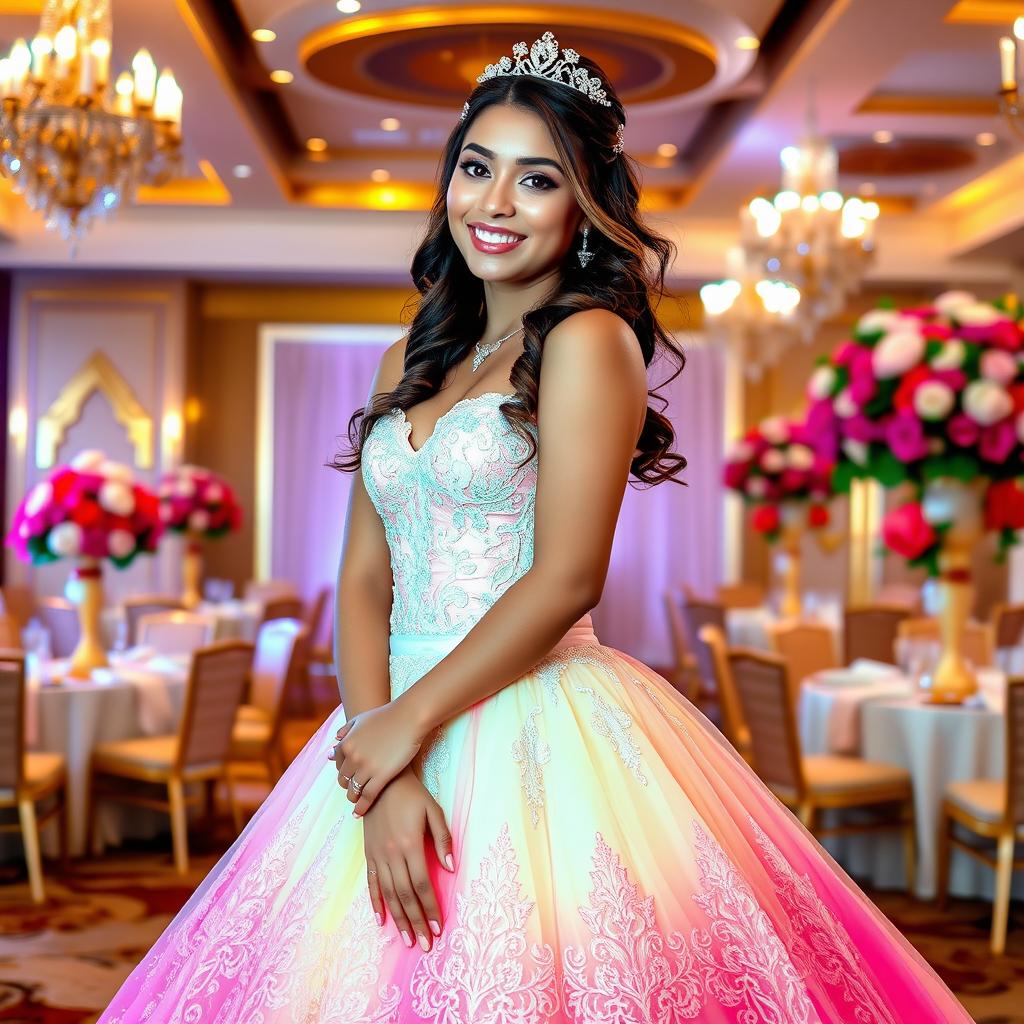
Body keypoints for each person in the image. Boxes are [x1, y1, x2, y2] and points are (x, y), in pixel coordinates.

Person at [98, 31, 971, 1022]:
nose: (495, 202)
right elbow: (360, 579)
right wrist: (374, 763)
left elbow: (565, 579)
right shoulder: (407, 358)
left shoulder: (589, 340)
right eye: (476, 168)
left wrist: (405, 727)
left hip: (534, 717)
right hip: (381, 722)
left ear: (582, 204)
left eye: (537, 179)